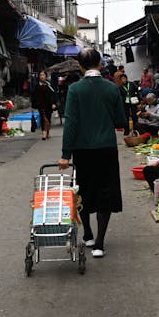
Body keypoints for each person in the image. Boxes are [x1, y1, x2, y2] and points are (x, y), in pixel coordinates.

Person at [59, 48, 127, 259]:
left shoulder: (75, 90)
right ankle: (99, 243)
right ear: (100, 64)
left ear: (80, 66)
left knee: (83, 190)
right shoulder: (111, 89)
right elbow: (120, 121)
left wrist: (65, 154)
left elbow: (70, 122)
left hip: (82, 150)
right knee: (105, 191)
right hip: (106, 148)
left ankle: (87, 234)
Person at [31, 71, 56, 140]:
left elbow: (54, 94)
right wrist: (33, 106)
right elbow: (33, 96)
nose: (42, 76)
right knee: (43, 118)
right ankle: (44, 133)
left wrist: (54, 103)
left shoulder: (49, 85)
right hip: (40, 105)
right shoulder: (37, 85)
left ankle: (47, 131)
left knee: (48, 118)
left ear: (46, 76)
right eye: (40, 75)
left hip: (49, 104)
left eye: (43, 75)